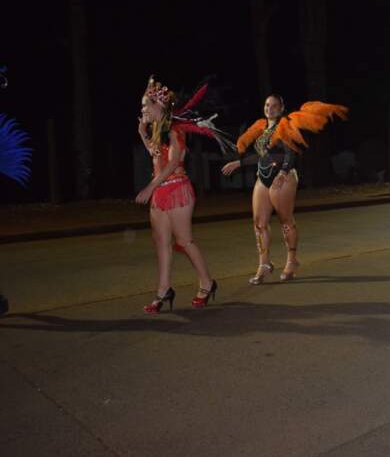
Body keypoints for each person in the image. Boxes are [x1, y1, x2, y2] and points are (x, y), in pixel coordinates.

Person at [222, 96, 346, 283]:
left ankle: (292, 260)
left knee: (285, 221)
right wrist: (239, 162)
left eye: (274, 106)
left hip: (283, 177)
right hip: (262, 177)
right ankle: (264, 264)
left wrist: (283, 172)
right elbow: (261, 156)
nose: (269, 109)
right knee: (259, 223)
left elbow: (291, 151)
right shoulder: (263, 127)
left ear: (281, 108)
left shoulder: (287, 124)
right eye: (266, 105)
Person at [136, 76, 229, 312]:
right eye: (142, 106)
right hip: (160, 191)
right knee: (162, 243)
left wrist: (150, 187)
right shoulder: (157, 129)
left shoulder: (176, 129)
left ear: (160, 106)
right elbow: (156, 155)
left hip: (177, 189)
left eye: (146, 105)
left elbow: (172, 162)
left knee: (184, 241)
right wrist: (143, 134)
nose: (143, 109)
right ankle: (163, 290)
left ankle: (207, 283)